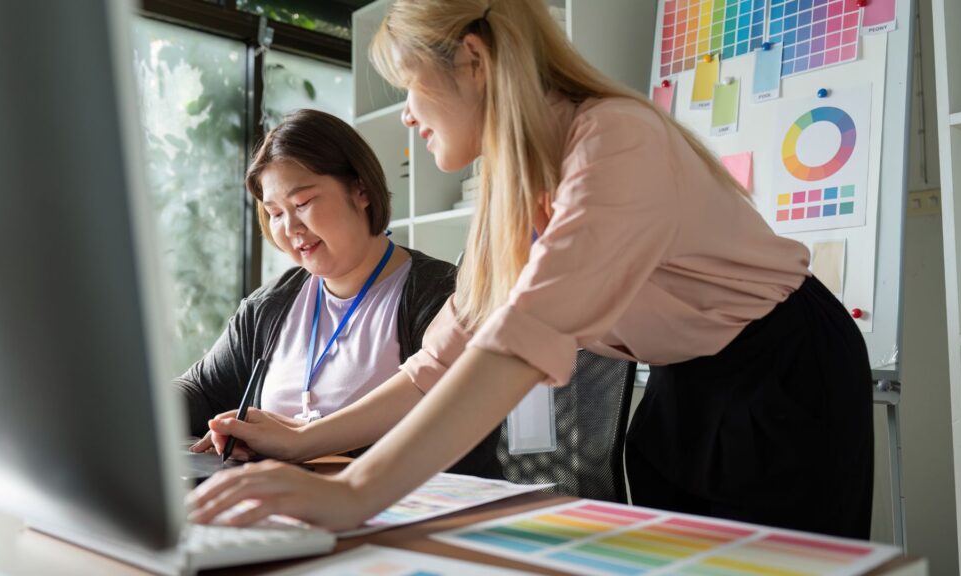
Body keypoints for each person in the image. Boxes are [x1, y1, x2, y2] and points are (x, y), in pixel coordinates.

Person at [187, 0, 872, 540]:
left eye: (412, 88)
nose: (407, 116)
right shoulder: (511, 193)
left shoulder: (614, 138)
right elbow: (439, 363)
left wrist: (355, 493)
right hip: (681, 383)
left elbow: (519, 340)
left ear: (473, 61)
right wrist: (306, 440)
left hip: (782, 369)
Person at [174, 108, 500, 478]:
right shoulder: (268, 307)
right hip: (286, 509)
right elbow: (198, 389)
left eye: (303, 203)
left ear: (360, 190)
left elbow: (450, 425)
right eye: (275, 213)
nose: (291, 227)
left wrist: (304, 440)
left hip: (393, 512)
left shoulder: (439, 294)